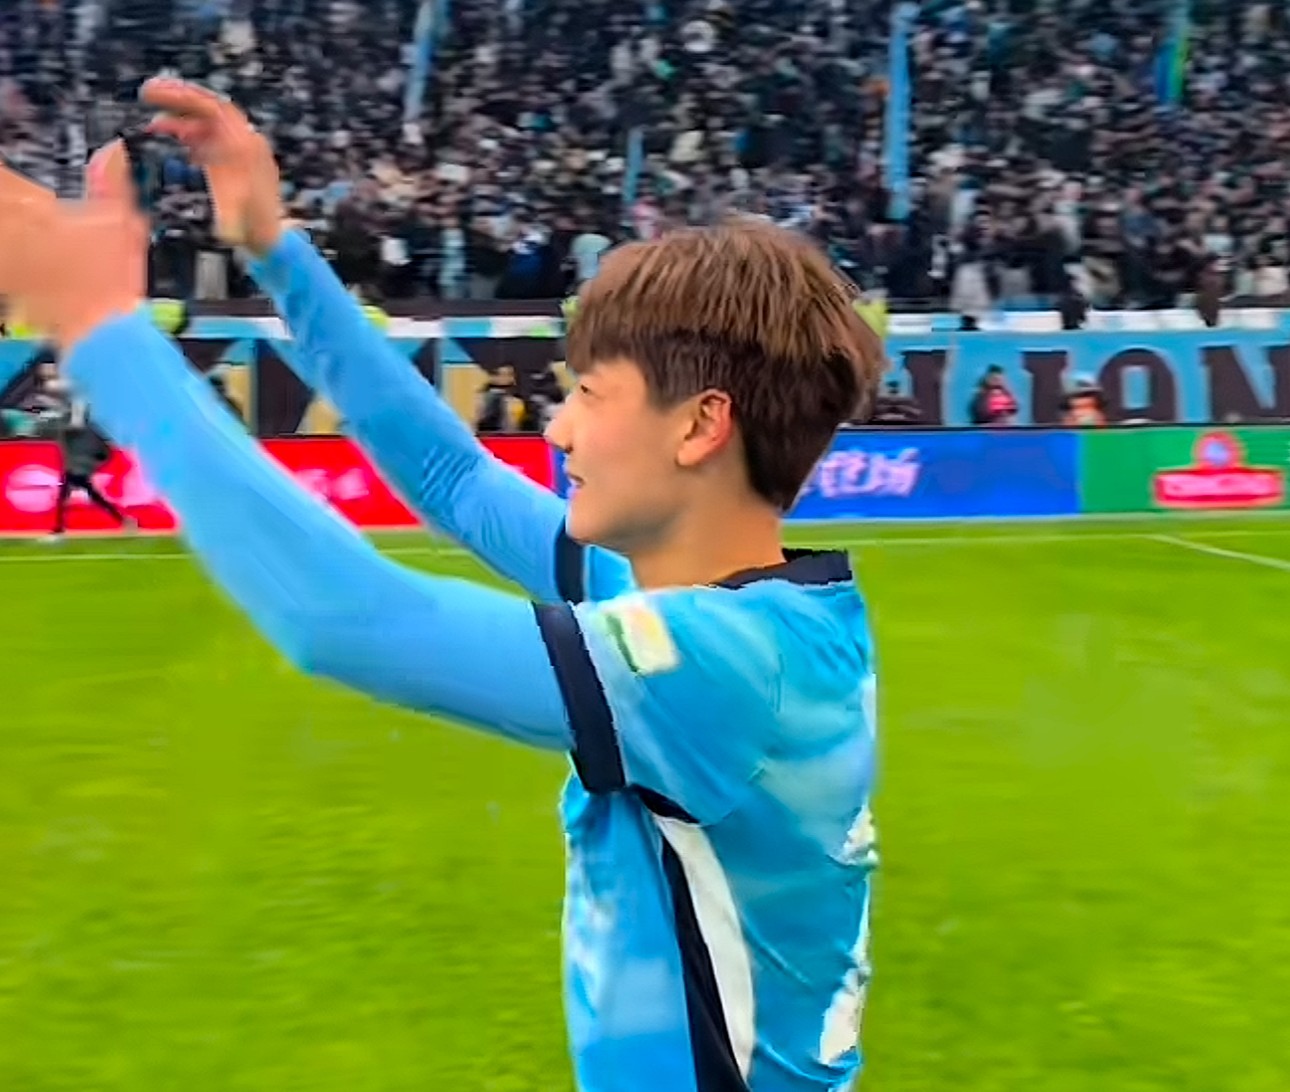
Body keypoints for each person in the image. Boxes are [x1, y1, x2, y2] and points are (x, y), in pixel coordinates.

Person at [0, 79, 885, 1092]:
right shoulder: (734, 609)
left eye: (591, 396)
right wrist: (276, 250)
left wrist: (103, 332)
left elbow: (345, 618)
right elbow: (453, 477)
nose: (558, 429)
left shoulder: (722, 666)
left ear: (699, 426)